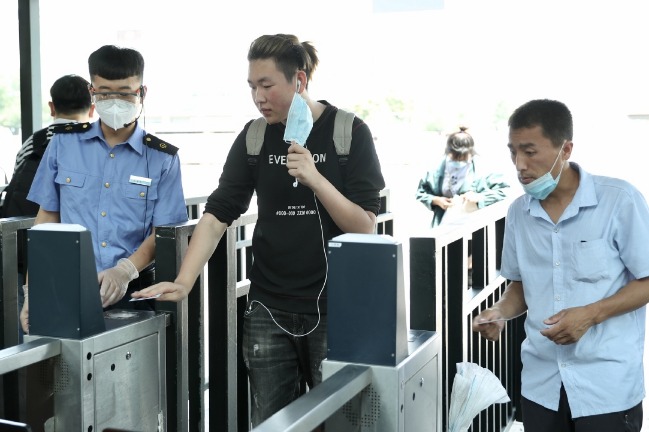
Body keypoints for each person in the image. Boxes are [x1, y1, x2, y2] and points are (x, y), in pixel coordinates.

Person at [132, 33, 385, 427]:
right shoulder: (254, 136)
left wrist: (316, 180)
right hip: (268, 306)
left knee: (342, 421)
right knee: (271, 422)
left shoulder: (347, 132)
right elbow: (218, 213)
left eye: (267, 85)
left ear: (298, 80)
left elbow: (365, 226)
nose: (258, 97)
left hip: (337, 306)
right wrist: (185, 280)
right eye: (252, 86)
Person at [472, 99, 649, 432]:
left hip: (606, 387)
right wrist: (498, 312)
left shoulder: (619, 201)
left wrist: (591, 314)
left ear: (565, 149)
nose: (519, 164)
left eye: (530, 151)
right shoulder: (518, 213)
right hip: (542, 386)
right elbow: (521, 286)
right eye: (513, 152)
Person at [20, 45, 188, 333]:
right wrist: (32, 289)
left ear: (142, 93)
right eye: (105, 92)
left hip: (135, 294)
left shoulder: (162, 158)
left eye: (124, 93)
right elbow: (46, 220)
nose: (114, 100)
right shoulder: (63, 144)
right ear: (92, 91)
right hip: (65, 287)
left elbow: (162, 232)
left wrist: (124, 271)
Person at [1, 74, 94, 218]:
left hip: (30, 230)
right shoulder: (97, 143)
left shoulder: (33, 142)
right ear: (92, 109)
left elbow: (18, 187)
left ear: (52, 107)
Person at [415, 126, 510, 228]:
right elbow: (421, 192)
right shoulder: (435, 171)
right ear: (448, 152)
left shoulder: (484, 170)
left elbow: (504, 191)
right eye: (455, 157)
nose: (459, 161)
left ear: (471, 153)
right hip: (443, 227)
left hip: (473, 228)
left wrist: (479, 197)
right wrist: (436, 200)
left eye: (463, 158)